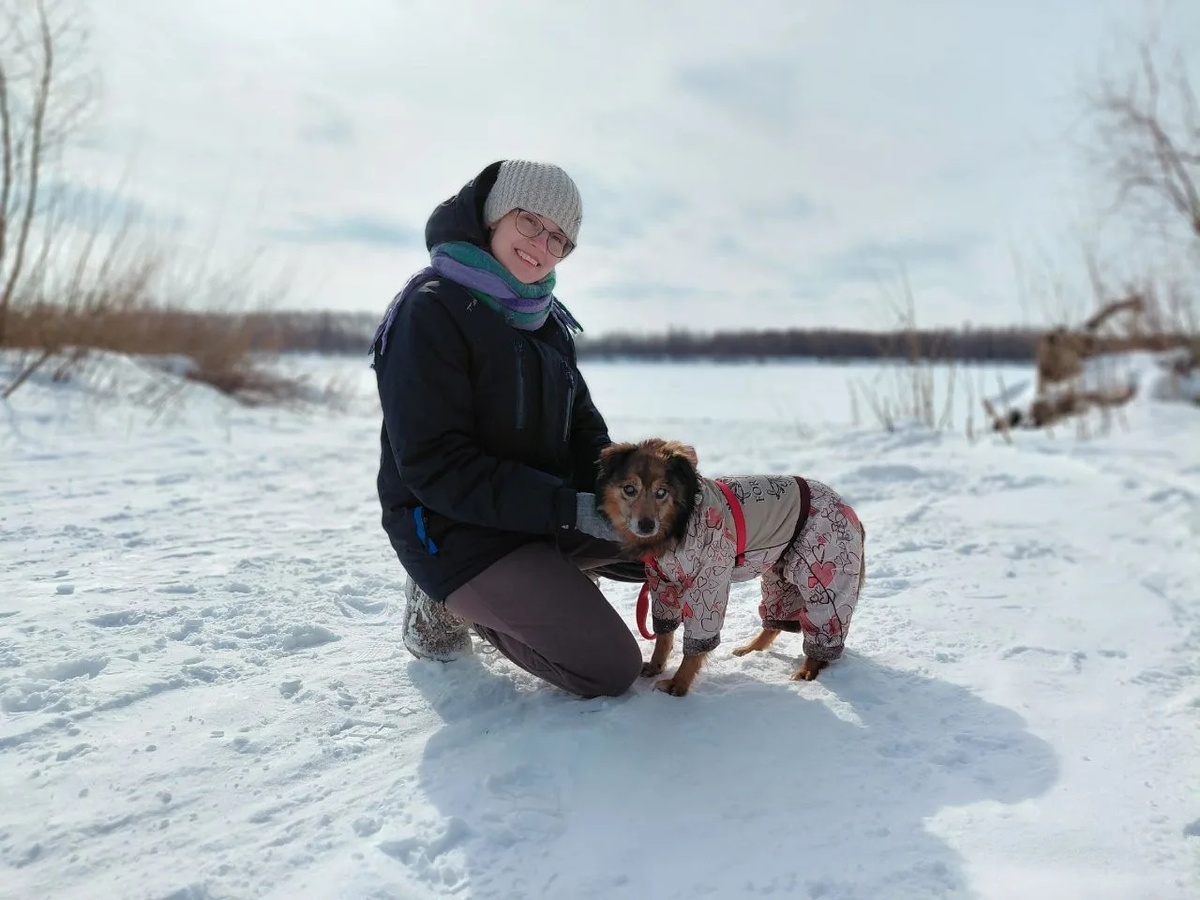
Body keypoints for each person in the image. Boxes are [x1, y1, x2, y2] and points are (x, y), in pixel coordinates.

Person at [371, 159, 646, 699]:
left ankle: (536, 582)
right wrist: (571, 509)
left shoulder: (544, 320)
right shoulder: (430, 311)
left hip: (531, 516)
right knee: (610, 668)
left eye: (560, 239)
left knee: (666, 534)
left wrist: (626, 489)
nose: (543, 246)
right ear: (492, 215)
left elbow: (584, 428)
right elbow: (439, 467)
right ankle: (444, 601)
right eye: (530, 222)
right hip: (453, 531)